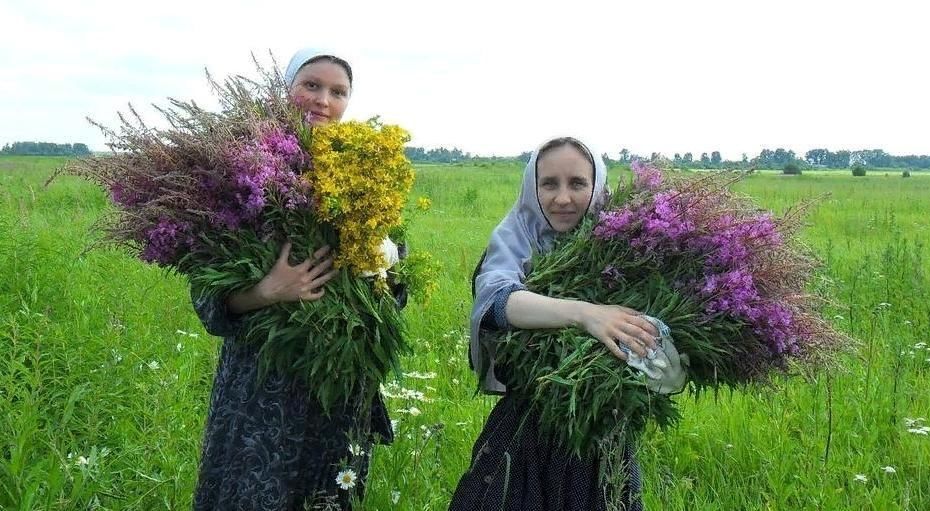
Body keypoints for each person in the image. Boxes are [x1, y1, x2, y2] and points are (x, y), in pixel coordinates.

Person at [191, 48, 398, 511]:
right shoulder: (244, 169)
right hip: (262, 390)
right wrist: (268, 291)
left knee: (326, 498)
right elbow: (206, 296)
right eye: (311, 85)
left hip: (338, 392)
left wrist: (383, 261)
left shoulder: (368, 172)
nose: (324, 100)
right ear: (284, 90)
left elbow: (391, 300)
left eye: (338, 92)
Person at [449, 137, 662, 511]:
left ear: (597, 187)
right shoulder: (518, 236)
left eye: (577, 183)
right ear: (533, 187)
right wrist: (587, 313)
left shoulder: (628, 246)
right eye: (549, 183)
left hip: (602, 427)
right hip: (524, 425)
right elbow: (498, 302)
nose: (562, 198)